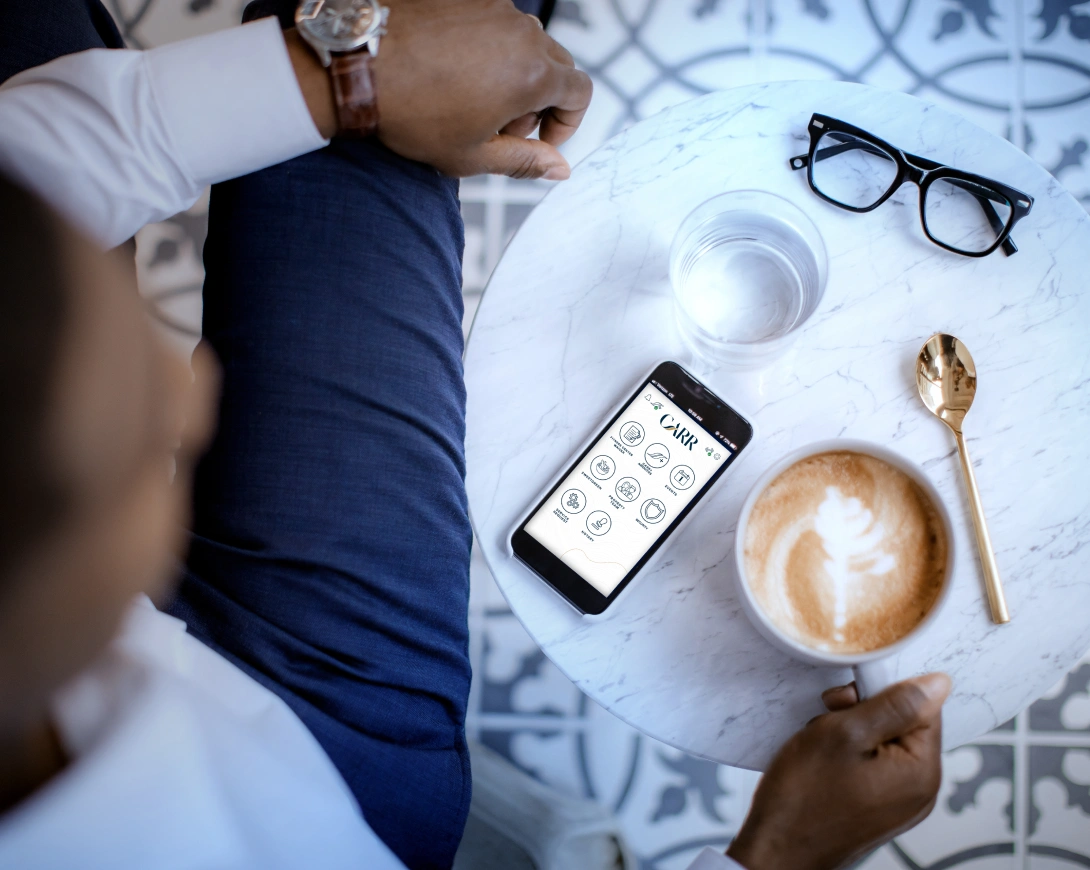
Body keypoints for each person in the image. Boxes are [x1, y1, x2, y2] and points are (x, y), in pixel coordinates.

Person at [0, 1, 951, 868]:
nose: (183, 396)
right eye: (136, 454)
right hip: (340, 780)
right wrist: (782, 856)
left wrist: (338, 76)